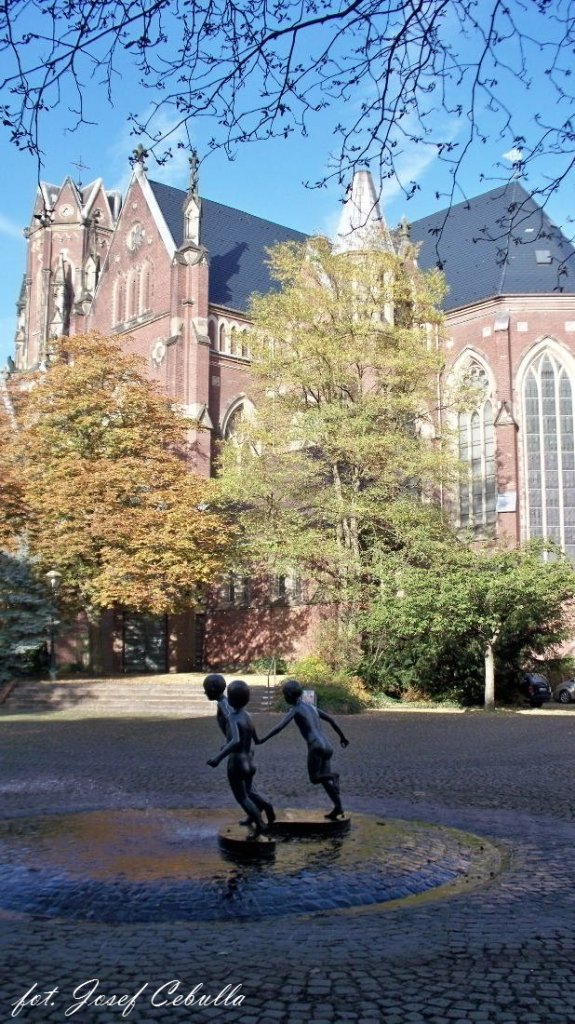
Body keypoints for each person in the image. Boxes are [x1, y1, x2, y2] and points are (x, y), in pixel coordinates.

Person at [258, 678, 349, 819]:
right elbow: (331, 719)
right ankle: (338, 807)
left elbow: (280, 727)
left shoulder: (295, 710)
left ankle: (334, 776)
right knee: (324, 780)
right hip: (327, 745)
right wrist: (342, 737)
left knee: (315, 778)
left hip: (315, 746)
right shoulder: (311, 707)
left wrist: (263, 739)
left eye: (284, 694)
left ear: (288, 695)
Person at [207, 679, 275, 837]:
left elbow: (236, 740)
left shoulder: (232, 716)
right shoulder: (248, 716)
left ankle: (261, 825)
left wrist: (217, 758)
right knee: (250, 791)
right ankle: (264, 807)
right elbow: (256, 739)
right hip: (249, 762)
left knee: (242, 797)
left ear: (230, 700)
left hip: (237, 762)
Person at [202, 672, 230, 737]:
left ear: (212, 690)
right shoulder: (224, 702)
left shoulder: (223, 704)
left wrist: (229, 745)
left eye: (206, 689)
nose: (205, 692)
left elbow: (232, 721)